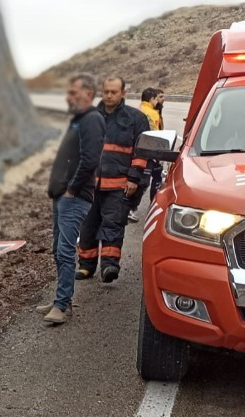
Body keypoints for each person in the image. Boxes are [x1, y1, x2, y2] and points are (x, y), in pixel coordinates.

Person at [39, 73, 103, 326]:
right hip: (63, 196)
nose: (69, 97)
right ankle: (59, 298)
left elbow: (90, 160)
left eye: (74, 93)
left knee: (66, 251)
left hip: (74, 198)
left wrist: (72, 189)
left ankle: (62, 304)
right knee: (58, 249)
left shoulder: (92, 120)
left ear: (88, 94)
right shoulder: (80, 119)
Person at [76, 76, 151, 284]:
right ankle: (86, 266)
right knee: (87, 227)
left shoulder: (135, 119)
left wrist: (134, 179)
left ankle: (109, 265)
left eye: (113, 92)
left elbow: (141, 152)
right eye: (106, 91)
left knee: (112, 225)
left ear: (123, 93)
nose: (109, 95)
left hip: (119, 185)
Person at [131, 87, 166, 221]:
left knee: (150, 179)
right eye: (158, 98)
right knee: (145, 181)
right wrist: (157, 153)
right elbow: (153, 134)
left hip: (141, 150)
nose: (160, 101)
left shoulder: (139, 109)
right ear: (152, 99)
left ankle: (133, 207)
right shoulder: (151, 113)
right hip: (148, 152)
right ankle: (133, 208)